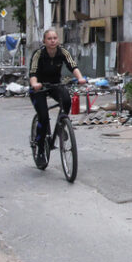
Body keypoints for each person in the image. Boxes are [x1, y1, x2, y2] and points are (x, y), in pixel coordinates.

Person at [28, 28, 86, 163]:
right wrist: (35, 84)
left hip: (55, 85)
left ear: (58, 40)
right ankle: (41, 150)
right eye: (49, 38)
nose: (52, 41)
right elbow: (33, 72)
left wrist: (80, 78)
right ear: (44, 41)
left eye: (55, 38)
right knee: (43, 117)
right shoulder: (39, 54)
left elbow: (73, 66)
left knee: (66, 100)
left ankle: (61, 125)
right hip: (39, 87)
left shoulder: (63, 52)